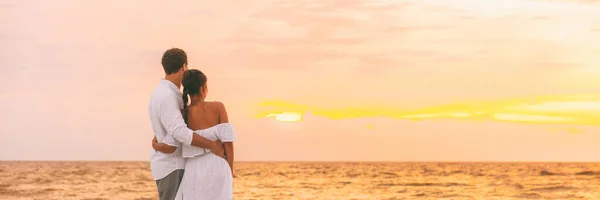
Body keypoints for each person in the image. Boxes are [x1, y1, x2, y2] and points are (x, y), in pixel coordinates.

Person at [148, 48, 226, 200]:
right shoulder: (168, 96)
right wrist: (212, 145)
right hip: (173, 167)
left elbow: (169, 129)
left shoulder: (160, 92)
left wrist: (158, 144)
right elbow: (179, 132)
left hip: (169, 166)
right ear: (184, 67)